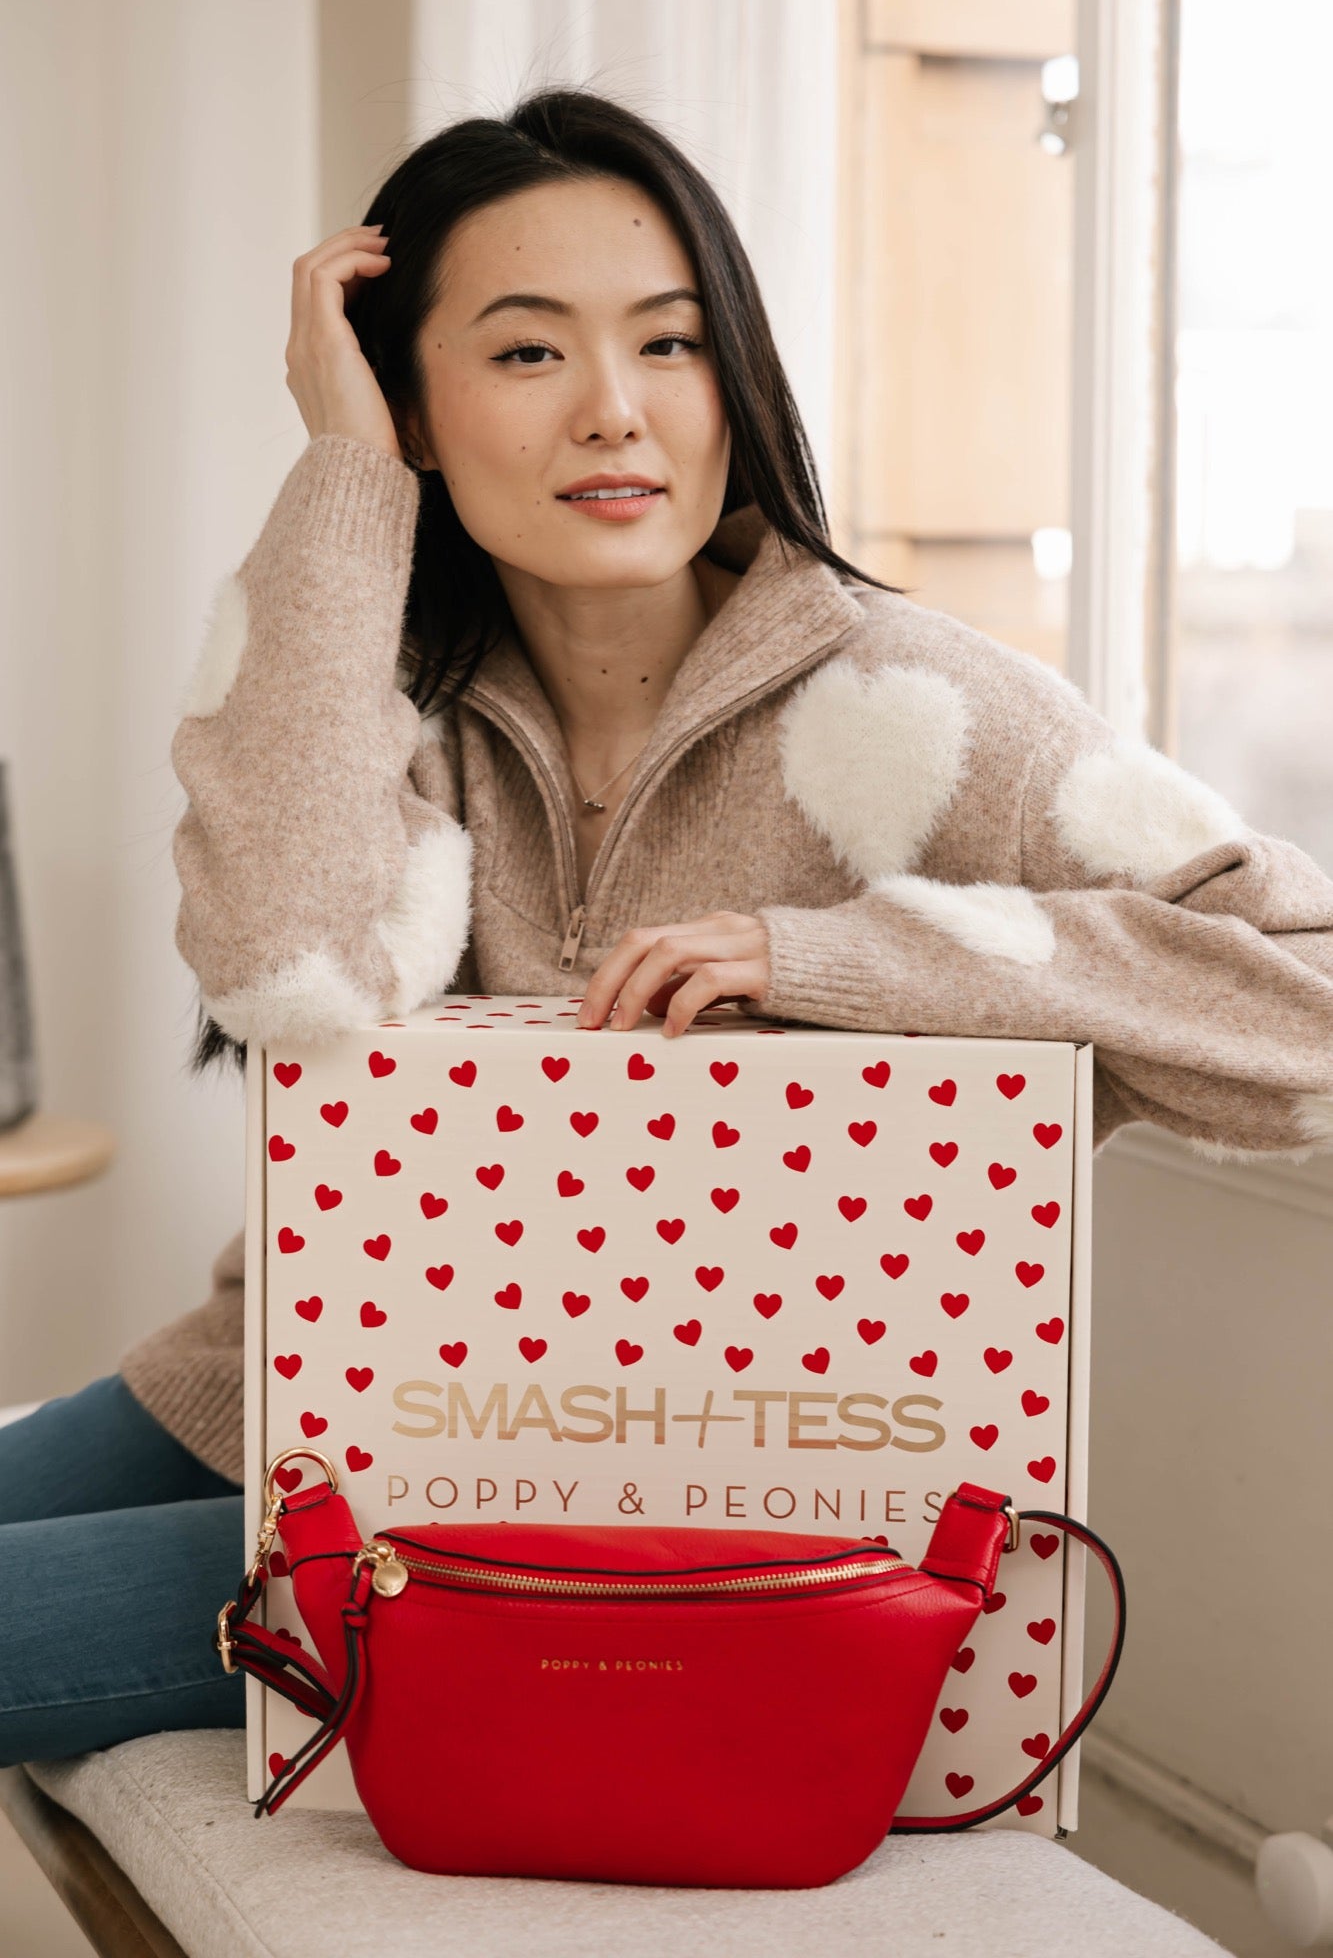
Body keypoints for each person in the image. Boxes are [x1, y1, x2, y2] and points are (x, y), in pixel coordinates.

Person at [5, 85, 1331, 1770]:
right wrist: (341, 470)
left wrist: (843, 960)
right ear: (415, 406)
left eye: (671, 344)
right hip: (291, 1378)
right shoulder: (366, 695)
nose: (615, 416)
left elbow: (1310, 1017)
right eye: (526, 354)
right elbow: (292, 963)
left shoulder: (920, 713)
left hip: (614, 1505)